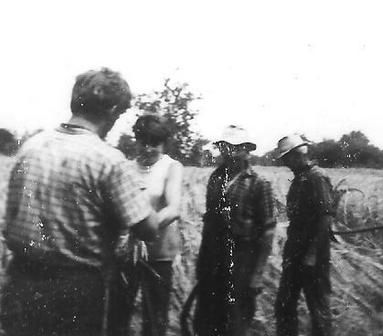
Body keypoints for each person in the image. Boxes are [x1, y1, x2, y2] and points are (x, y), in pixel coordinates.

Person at [1, 68, 161, 336]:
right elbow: (147, 229)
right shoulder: (108, 160)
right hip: (74, 288)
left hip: (20, 280)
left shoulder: (31, 146)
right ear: (111, 110)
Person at [194, 125, 276, 336]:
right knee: (207, 318)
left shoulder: (259, 183)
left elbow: (268, 231)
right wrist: (203, 262)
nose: (225, 152)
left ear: (245, 150)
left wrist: (257, 275)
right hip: (213, 257)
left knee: (235, 319)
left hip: (242, 259)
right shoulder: (216, 178)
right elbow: (209, 222)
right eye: (223, 147)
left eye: (231, 147)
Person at [274, 134, 334, 336]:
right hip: (295, 252)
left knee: (318, 308)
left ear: (299, 154)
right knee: (284, 304)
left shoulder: (317, 177)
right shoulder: (299, 179)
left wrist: (312, 254)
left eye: (287, 158)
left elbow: (325, 218)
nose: (285, 163)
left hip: (312, 256)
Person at [133, 114, 183, 336]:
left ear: (163, 143)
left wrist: (144, 232)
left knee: (154, 318)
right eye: (144, 142)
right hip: (129, 253)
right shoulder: (127, 167)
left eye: (155, 143)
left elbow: (173, 209)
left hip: (159, 253)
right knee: (120, 311)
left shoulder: (171, 167)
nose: (149, 148)